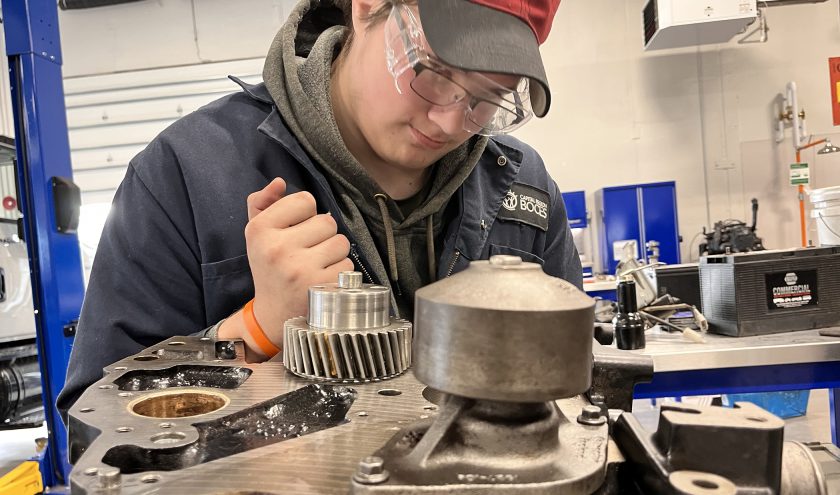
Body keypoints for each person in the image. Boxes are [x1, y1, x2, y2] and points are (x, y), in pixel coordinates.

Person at [57, 0, 581, 418]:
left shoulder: (524, 186)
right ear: (367, 6)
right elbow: (94, 420)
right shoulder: (185, 173)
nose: (448, 121)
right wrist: (255, 330)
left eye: (488, 97)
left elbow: (574, 394)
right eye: (433, 71)